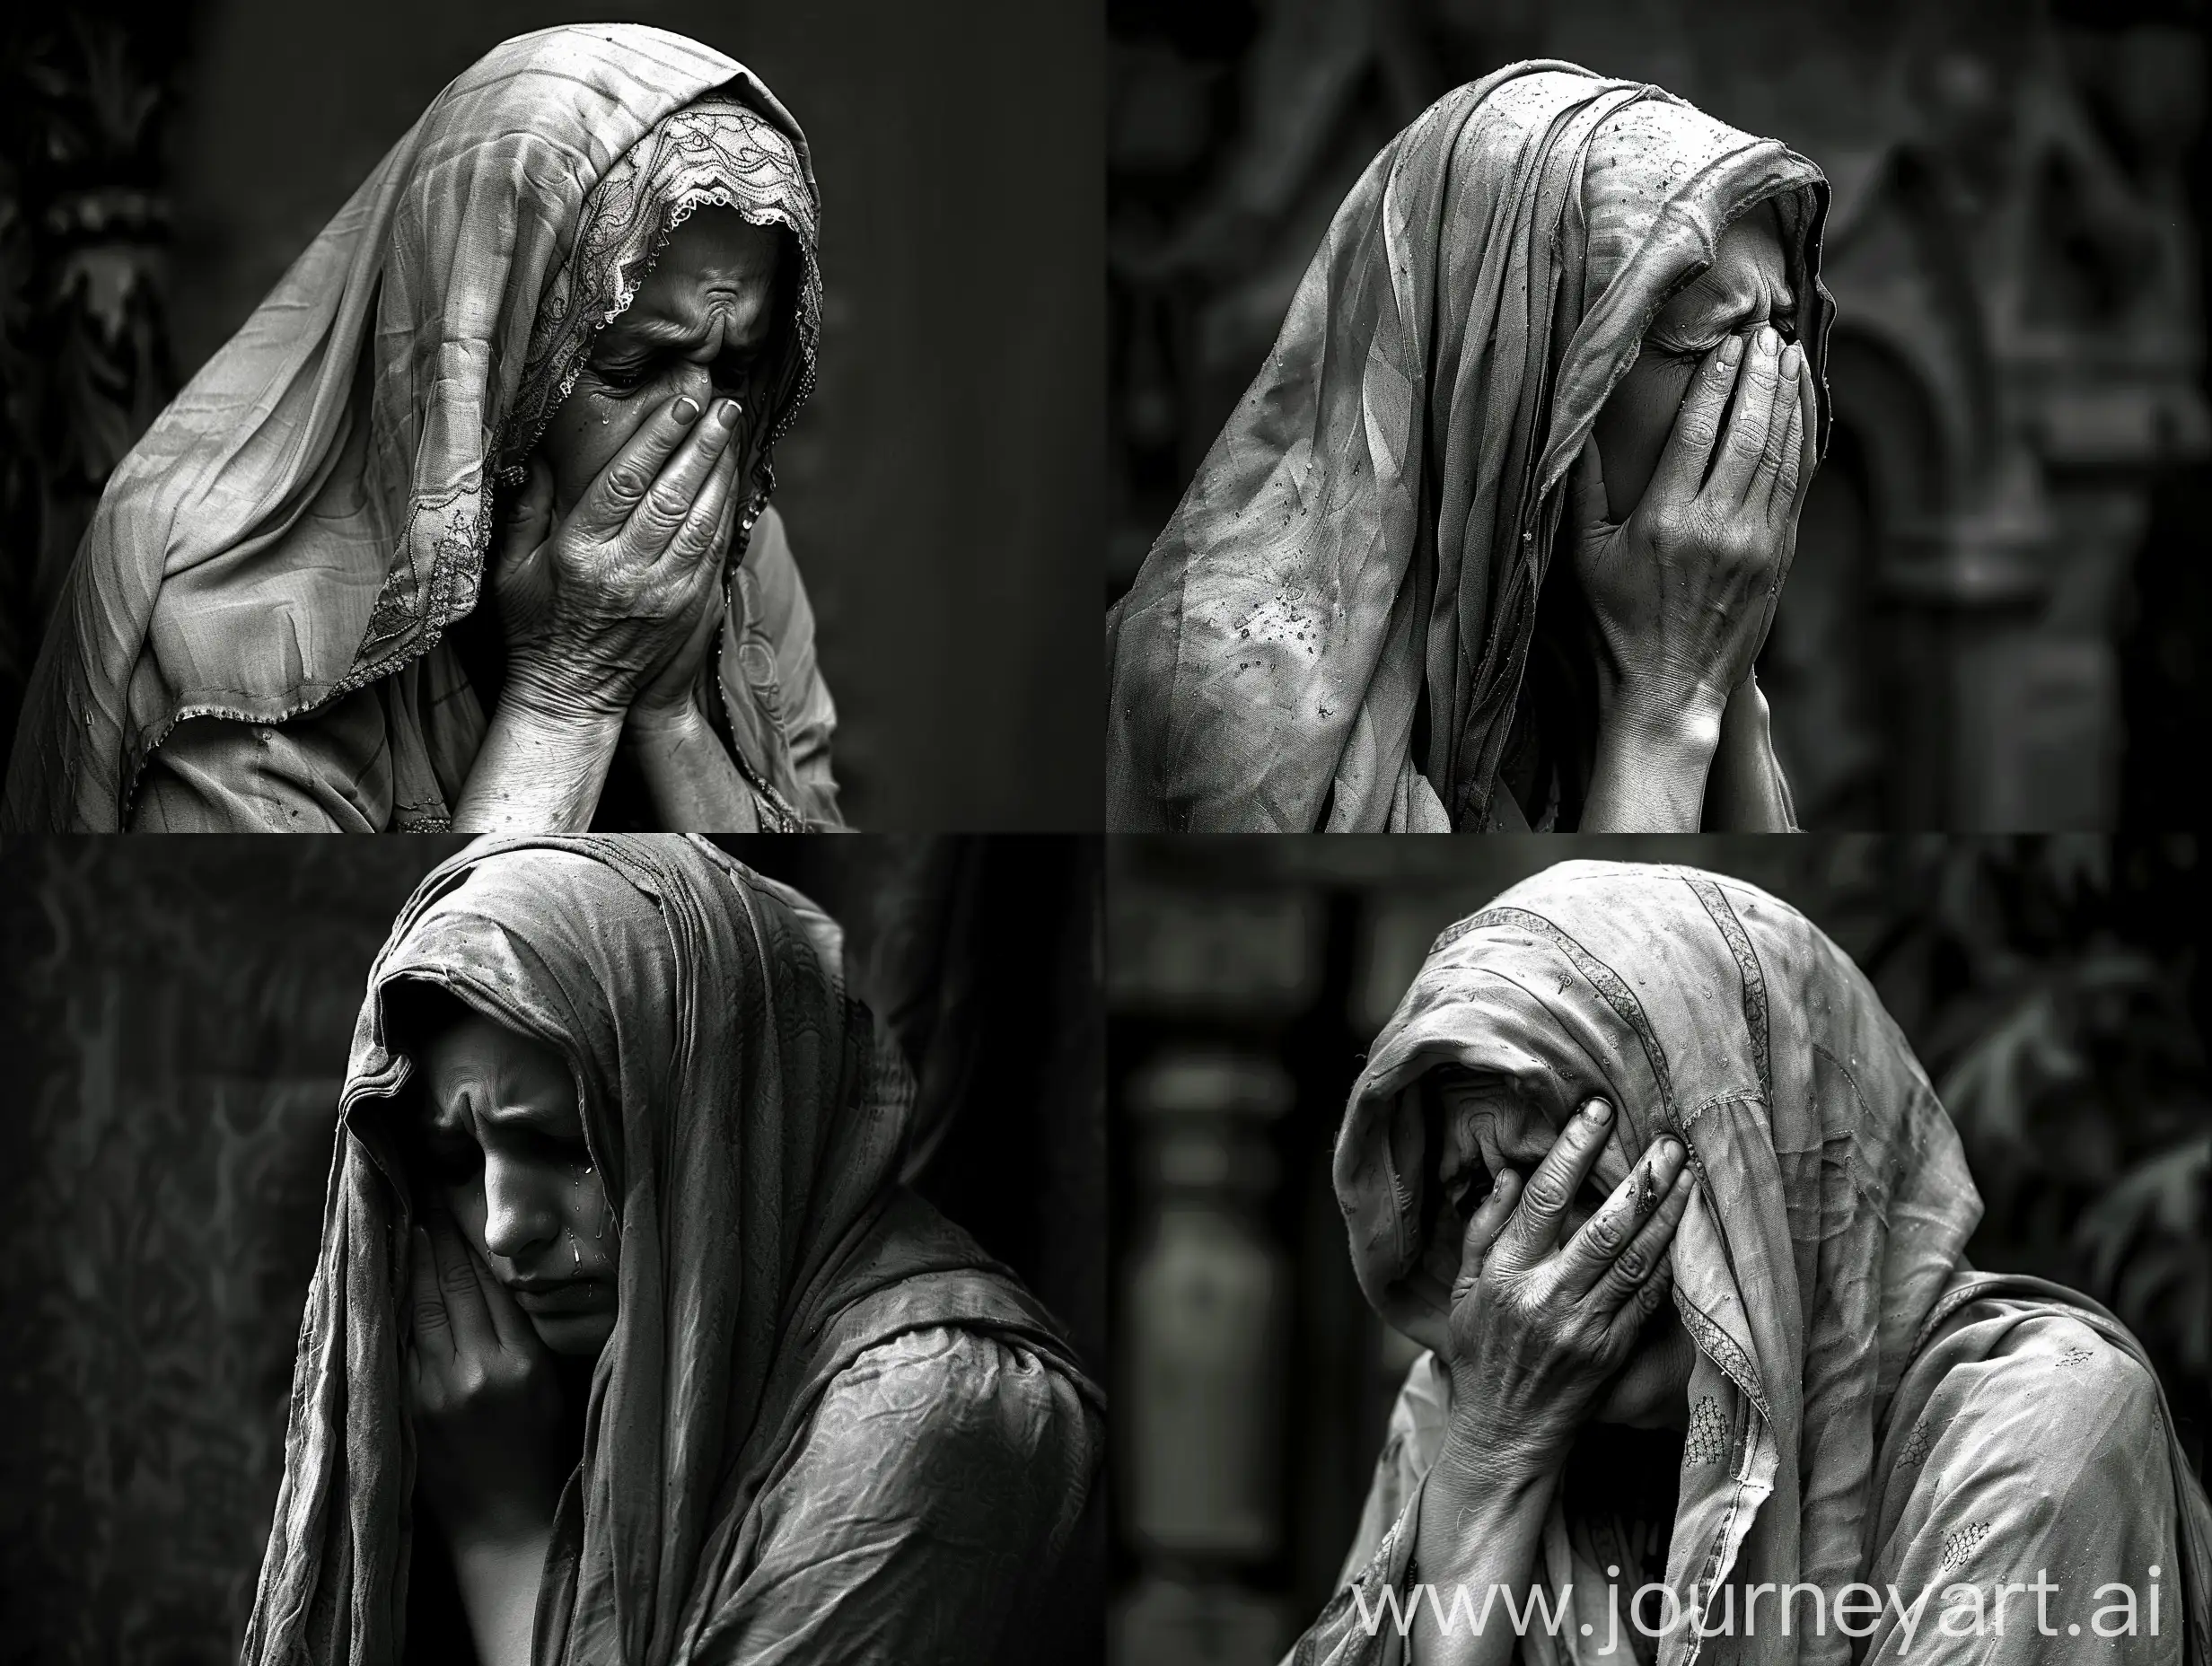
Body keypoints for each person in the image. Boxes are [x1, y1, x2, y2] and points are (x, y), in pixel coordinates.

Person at [1294, 860, 2210, 1663]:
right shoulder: (1482, 1403)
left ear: (1759, 1167)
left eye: (1569, 1181)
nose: (1528, 1279)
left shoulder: (2047, 1419)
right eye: (1474, 1199)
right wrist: (1491, 1467)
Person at [241, 836, 1102, 1666]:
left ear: (721, 1118)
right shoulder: (578, 1373)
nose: (505, 1229)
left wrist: (501, 1533)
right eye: (459, 1164)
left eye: (568, 1145)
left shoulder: (935, 1415)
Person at [4, 27, 844, 833]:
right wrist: (570, 691)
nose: (700, 431)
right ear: (492, 357)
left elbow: (789, 920)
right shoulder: (229, 623)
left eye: (734, 373)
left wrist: (668, 716)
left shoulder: (739, 556)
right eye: (632, 371)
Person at [1106, 62, 1828, 832]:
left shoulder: (1590, 619)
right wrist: (1666, 706)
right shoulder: (1229, 688)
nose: (1769, 407)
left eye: (1781, 337)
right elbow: (1600, 931)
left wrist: (1723, 667)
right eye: (1705, 349)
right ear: (1519, 374)